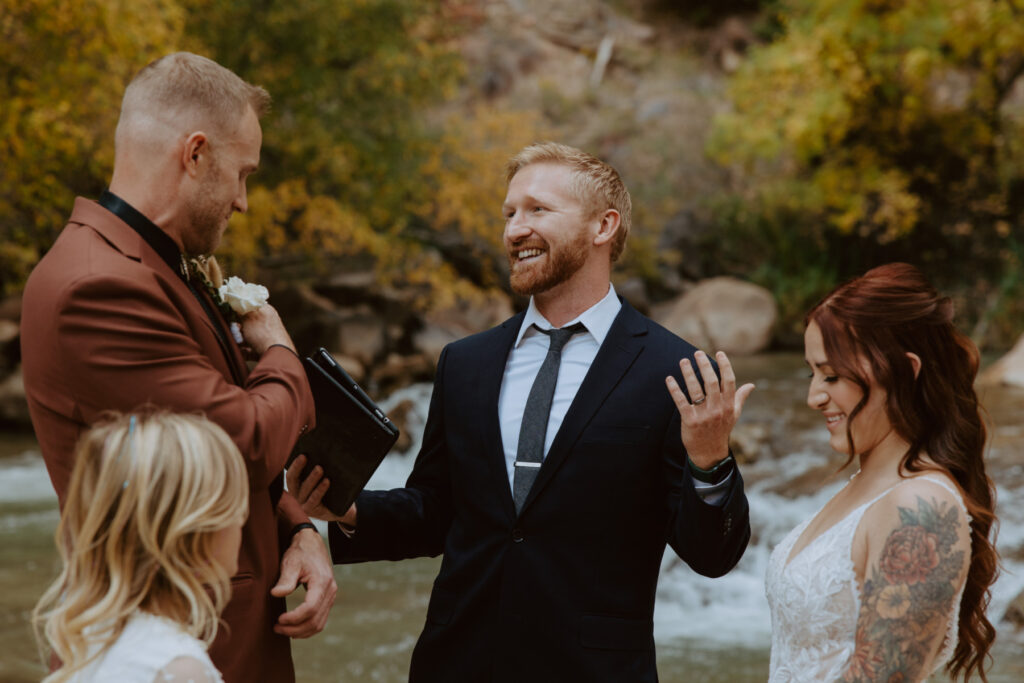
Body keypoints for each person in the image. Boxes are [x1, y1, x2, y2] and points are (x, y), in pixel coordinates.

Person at [289, 142, 753, 682]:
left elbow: (713, 556)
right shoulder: (465, 362)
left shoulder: (672, 369)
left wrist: (710, 460)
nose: (514, 230)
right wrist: (343, 507)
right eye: (509, 213)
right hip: (455, 663)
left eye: (537, 210)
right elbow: (436, 512)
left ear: (602, 227)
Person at [20, 52, 335, 683]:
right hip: (174, 642)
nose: (243, 202)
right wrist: (279, 352)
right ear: (194, 155)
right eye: (241, 174)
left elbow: (208, 433)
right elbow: (239, 442)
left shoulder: (150, 262)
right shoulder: (98, 286)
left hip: (222, 624)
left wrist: (300, 529)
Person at [765, 263, 998, 682]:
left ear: (905, 370)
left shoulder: (921, 506)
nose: (813, 397)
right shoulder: (863, 487)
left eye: (831, 375)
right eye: (811, 372)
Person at [33, 412, 248, 683]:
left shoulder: (92, 635)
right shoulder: (179, 668)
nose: (242, 518)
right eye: (234, 507)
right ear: (194, 531)